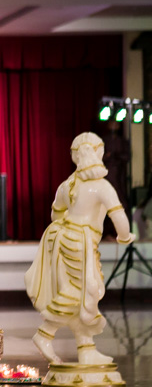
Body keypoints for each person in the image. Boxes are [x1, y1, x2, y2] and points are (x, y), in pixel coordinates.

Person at [25, 132, 134, 365]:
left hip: (65, 238)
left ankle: (86, 348)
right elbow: (120, 219)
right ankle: (44, 334)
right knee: (83, 292)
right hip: (78, 244)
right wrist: (125, 237)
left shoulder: (68, 185)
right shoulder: (102, 187)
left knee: (85, 294)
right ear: (99, 153)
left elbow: (56, 213)